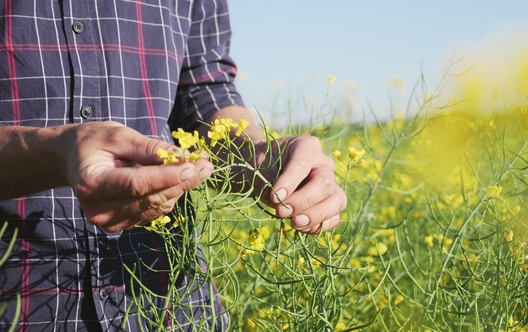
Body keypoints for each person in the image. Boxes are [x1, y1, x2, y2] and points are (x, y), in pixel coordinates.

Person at [0, 1, 346, 331]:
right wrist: (54, 154)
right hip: (20, 303)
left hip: (172, 306)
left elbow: (204, 91)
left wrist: (259, 158)